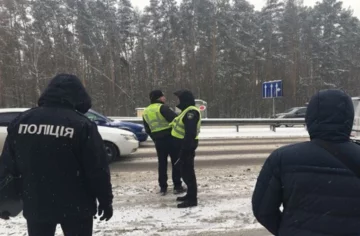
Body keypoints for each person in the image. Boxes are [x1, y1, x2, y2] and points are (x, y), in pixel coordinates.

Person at [0, 74, 113, 236]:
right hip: (76, 205)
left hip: (36, 202)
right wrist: (105, 200)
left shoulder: (22, 121)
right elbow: (97, 169)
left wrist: (3, 200)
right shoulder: (81, 125)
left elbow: (7, 166)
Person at [252, 89, 360, 235]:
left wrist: (288, 230)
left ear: (310, 119)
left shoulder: (282, 158)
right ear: (349, 118)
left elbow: (262, 209)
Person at [143, 90, 185, 196]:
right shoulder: (163, 108)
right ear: (159, 98)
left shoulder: (146, 111)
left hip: (158, 141)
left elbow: (147, 129)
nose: (164, 98)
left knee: (162, 164)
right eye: (163, 96)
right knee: (175, 162)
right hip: (170, 138)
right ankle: (177, 186)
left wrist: (155, 138)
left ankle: (163, 187)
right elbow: (176, 120)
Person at [172, 89, 201, 208]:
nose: (178, 101)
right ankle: (189, 195)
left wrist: (183, 152)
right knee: (184, 172)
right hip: (182, 147)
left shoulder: (191, 113)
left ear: (185, 100)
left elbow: (190, 134)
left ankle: (192, 199)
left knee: (188, 173)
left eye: (180, 99)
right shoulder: (186, 111)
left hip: (186, 147)